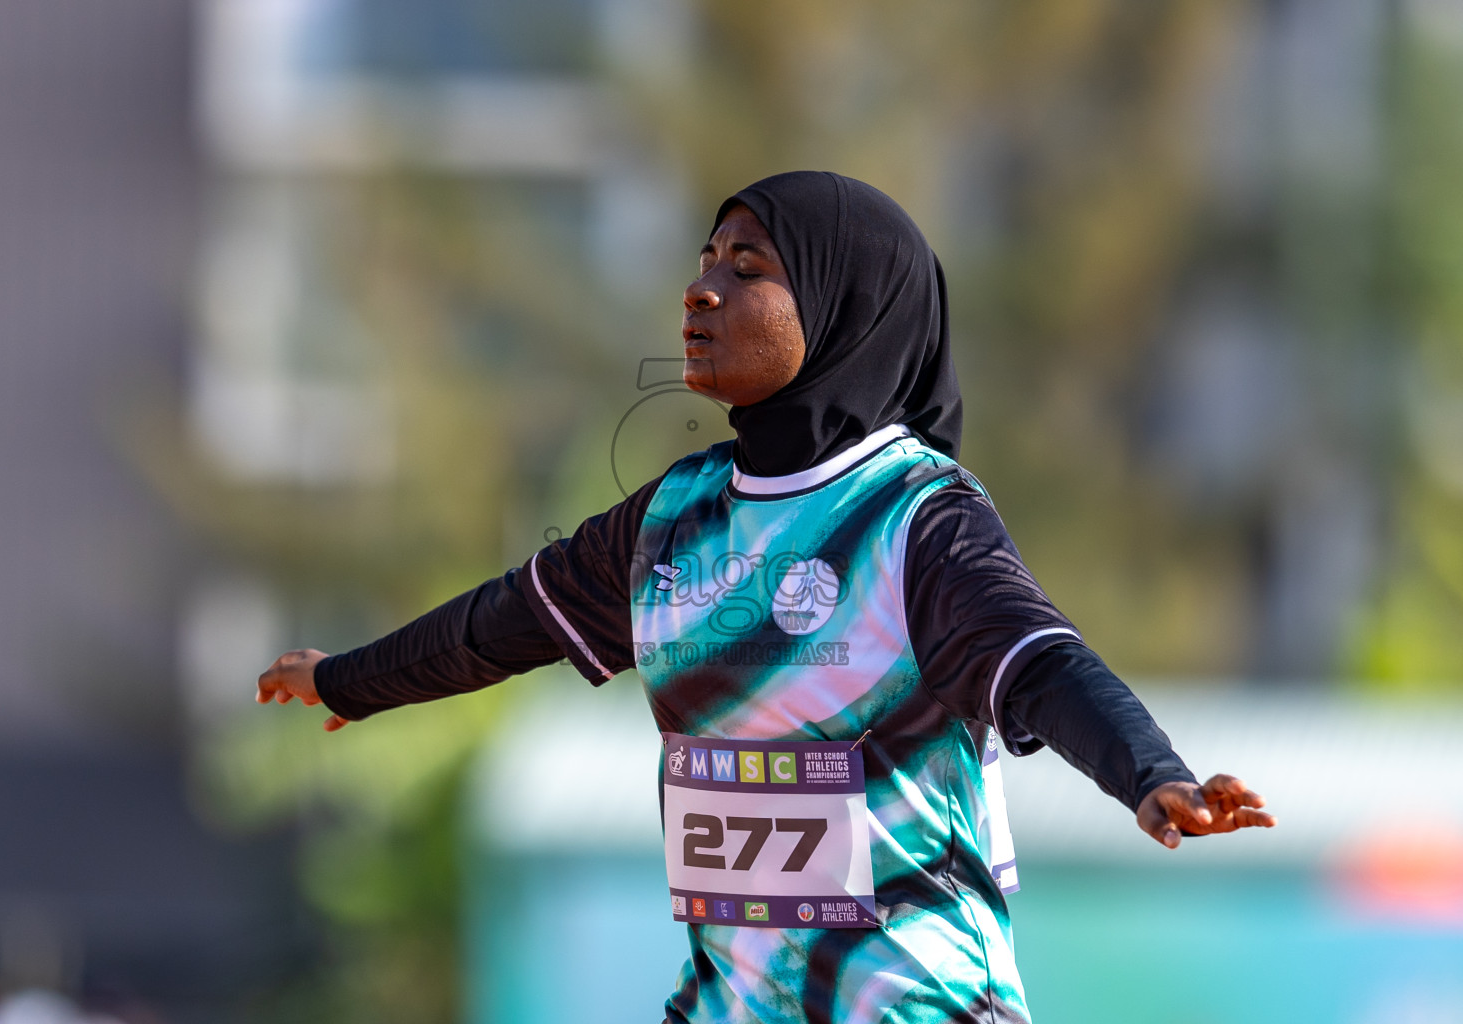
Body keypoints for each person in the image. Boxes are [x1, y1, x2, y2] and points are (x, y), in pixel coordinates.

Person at [256, 171, 1276, 1023]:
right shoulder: (674, 518)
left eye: (748, 269)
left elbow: (1043, 665)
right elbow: (504, 622)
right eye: (704, 262)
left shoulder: (917, 518)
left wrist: (1152, 773)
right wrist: (347, 680)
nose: (701, 291)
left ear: (846, 307)